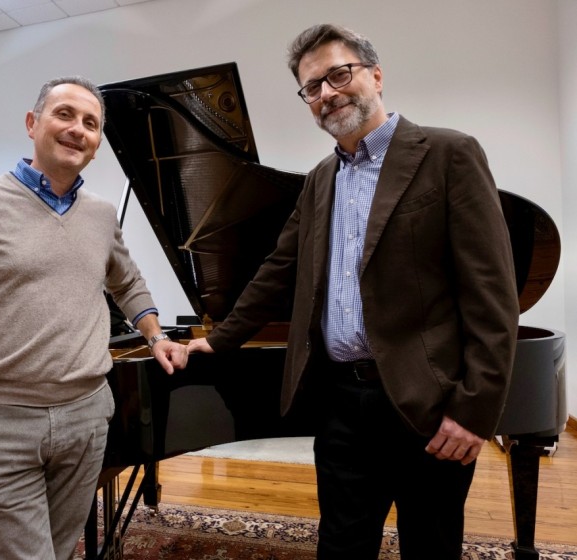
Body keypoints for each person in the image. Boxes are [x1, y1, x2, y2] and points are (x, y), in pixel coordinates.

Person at [187, 24, 519, 559]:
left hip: (427, 405)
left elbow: (492, 293)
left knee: (430, 547)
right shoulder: (321, 178)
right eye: (312, 87)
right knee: (341, 545)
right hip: (342, 402)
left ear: (375, 75)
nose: (327, 93)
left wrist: (473, 411)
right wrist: (220, 340)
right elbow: (279, 267)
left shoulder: (448, 154)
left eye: (338, 74)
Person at [0, 76, 188, 559]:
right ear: (32, 123)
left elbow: (127, 281)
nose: (77, 129)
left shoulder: (102, 215)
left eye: (90, 123)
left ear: (97, 143)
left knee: (61, 551)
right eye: (64, 114)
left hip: (86, 418)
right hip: (1, 424)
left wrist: (154, 336)